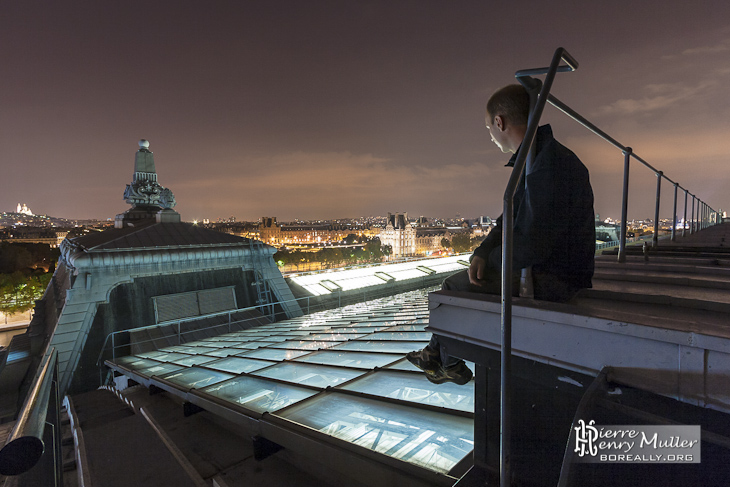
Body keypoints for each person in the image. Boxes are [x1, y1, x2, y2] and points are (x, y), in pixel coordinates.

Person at [406, 84, 595, 385]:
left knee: (451, 289)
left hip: (554, 279)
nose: (491, 136)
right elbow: (509, 222)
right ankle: (440, 358)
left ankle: (444, 360)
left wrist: (490, 259)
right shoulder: (541, 159)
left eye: (488, 128)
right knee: (461, 284)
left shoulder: (544, 167)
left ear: (500, 122)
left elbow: (532, 244)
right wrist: (482, 252)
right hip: (555, 270)